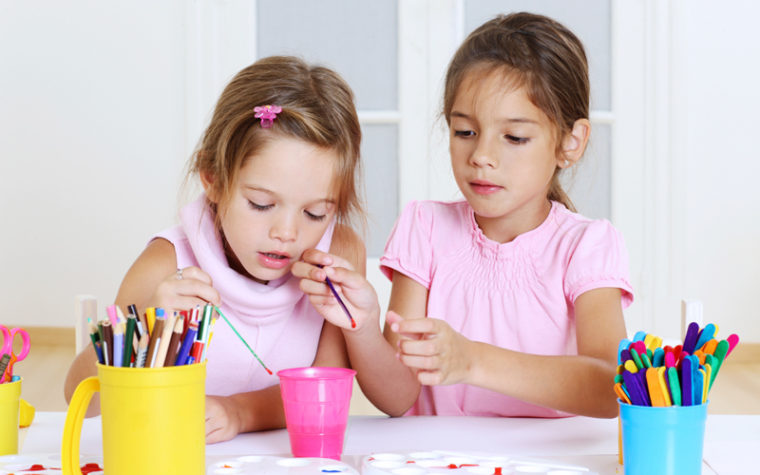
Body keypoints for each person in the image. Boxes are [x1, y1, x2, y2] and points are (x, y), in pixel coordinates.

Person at [294, 12, 632, 419]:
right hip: (440, 457)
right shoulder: (426, 228)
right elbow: (397, 398)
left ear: (570, 142)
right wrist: (363, 325)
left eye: (515, 137)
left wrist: (471, 360)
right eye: (465, 132)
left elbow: (610, 387)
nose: (482, 157)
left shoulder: (587, 246)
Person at [64, 56, 366, 442]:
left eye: (315, 212)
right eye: (260, 204)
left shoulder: (336, 255)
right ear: (213, 180)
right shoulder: (166, 263)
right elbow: (79, 396)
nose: (286, 233)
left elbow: (323, 389)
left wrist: (238, 413)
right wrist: (147, 329)